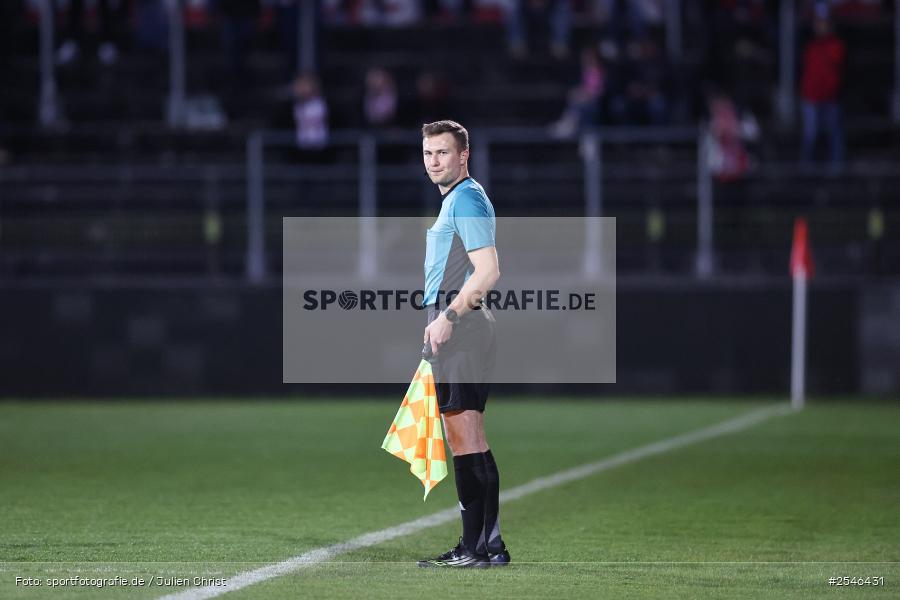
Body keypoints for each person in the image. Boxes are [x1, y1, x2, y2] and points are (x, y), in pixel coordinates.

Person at [416, 120, 509, 569]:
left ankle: (473, 549)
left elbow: (488, 270)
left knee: (463, 439)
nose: (434, 161)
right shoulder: (460, 198)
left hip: (463, 326)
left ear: (463, 155)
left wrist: (448, 318)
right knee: (470, 436)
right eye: (428, 153)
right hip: (463, 325)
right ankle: (490, 546)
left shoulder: (466, 198)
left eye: (443, 152)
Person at [799, 11, 845, 167]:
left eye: (824, 24)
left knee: (834, 133)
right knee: (810, 135)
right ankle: (807, 169)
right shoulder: (810, 46)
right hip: (811, 97)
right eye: (818, 24)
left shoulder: (836, 46)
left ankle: (837, 169)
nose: (820, 27)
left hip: (830, 97)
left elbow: (838, 69)